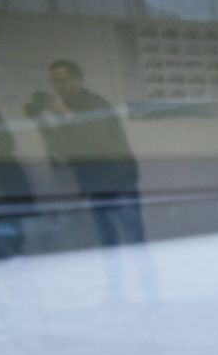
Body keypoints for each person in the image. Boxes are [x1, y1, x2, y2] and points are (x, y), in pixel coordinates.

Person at [25, 59, 143, 246]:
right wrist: (42, 122)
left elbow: (95, 140)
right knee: (107, 239)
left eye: (64, 80)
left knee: (134, 237)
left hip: (119, 179)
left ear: (79, 80)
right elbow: (62, 149)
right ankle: (116, 275)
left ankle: (143, 274)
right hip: (92, 181)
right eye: (55, 82)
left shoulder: (95, 103)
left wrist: (64, 112)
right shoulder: (60, 109)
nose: (60, 86)